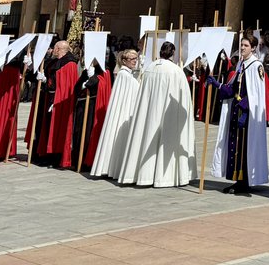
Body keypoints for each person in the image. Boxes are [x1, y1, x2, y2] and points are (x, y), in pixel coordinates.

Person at [118, 41, 195, 187]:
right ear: (172, 53)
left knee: (146, 137)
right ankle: (164, 177)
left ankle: (145, 175)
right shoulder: (176, 71)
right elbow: (184, 99)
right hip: (169, 115)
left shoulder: (149, 68)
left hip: (150, 114)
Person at [207, 34, 269, 195]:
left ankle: (245, 180)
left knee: (244, 147)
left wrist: (245, 111)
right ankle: (237, 178)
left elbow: (256, 94)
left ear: (253, 48)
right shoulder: (242, 64)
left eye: (246, 45)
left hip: (246, 113)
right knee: (235, 146)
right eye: (241, 45)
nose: (242, 48)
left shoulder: (256, 66)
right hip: (236, 111)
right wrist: (218, 85)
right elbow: (233, 89)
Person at [90, 49, 141, 179]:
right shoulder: (124, 75)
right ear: (124, 61)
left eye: (136, 58)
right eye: (132, 59)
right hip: (124, 112)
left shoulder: (127, 74)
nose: (135, 61)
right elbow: (136, 90)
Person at [40, 40, 80, 168]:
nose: (53, 50)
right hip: (50, 97)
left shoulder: (70, 63)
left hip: (60, 100)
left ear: (59, 49)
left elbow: (64, 84)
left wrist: (47, 80)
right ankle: (47, 155)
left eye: (55, 48)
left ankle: (57, 157)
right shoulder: (54, 61)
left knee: (59, 128)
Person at [70, 56, 113, 171]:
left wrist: (92, 79)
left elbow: (102, 86)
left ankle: (87, 161)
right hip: (82, 106)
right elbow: (76, 88)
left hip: (93, 106)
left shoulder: (105, 71)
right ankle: (78, 159)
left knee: (89, 132)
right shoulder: (86, 71)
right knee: (79, 132)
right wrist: (84, 83)